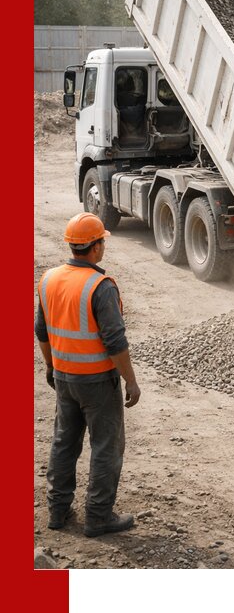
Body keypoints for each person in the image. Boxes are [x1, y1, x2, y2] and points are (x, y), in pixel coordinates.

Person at [35, 212, 141, 538]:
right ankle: (98, 516)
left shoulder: (49, 279)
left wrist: (51, 366)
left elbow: (41, 331)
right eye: (102, 243)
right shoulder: (100, 286)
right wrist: (130, 380)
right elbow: (115, 341)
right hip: (97, 382)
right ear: (95, 247)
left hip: (64, 377)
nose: (103, 248)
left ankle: (57, 511)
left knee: (64, 443)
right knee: (106, 447)